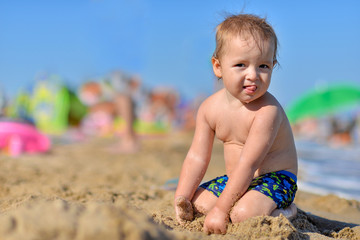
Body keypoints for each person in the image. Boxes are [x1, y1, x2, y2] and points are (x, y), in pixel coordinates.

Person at [174, 14, 298, 235]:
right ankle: (237, 203)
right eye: (241, 65)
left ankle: (287, 211)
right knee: (199, 204)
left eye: (263, 66)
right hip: (237, 180)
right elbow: (197, 156)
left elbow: (248, 165)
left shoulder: (267, 112)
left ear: (273, 66)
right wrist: (181, 197)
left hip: (276, 179)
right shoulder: (209, 109)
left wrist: (222, 210)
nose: (253, 75)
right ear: (218, 67)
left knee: (241, 214)